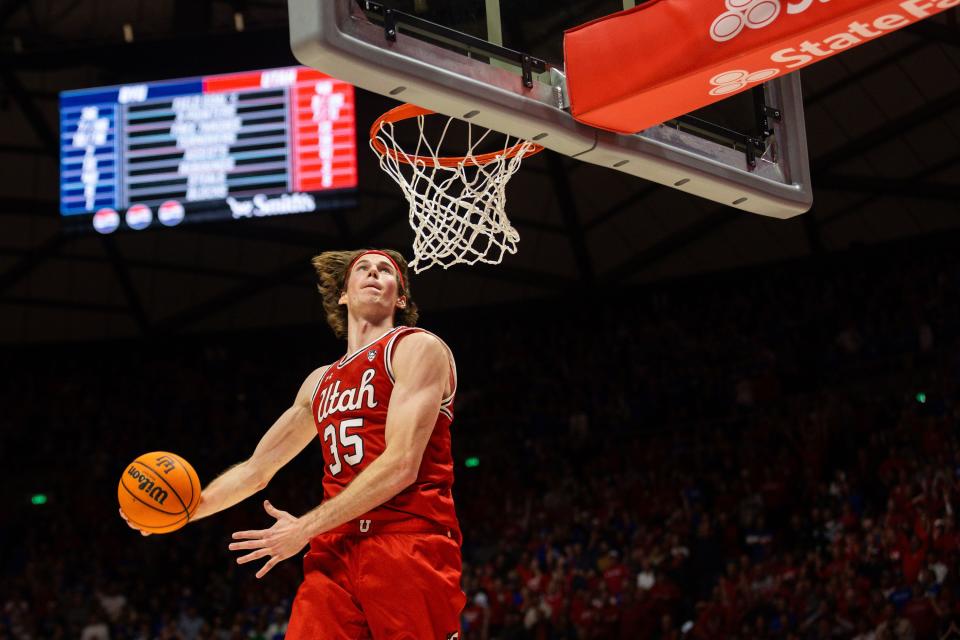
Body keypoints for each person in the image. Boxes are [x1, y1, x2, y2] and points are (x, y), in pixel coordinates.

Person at [121, 248, 465, 639]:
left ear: (400, 297)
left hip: (408, 539)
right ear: (343, 294)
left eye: (385, 271)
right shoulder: (320, 381)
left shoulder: (416, 348)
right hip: (334, 550)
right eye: (363, 269)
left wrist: (304, 528)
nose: (373, 273)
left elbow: (402, 463)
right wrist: (180, 515)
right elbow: (256, 470)